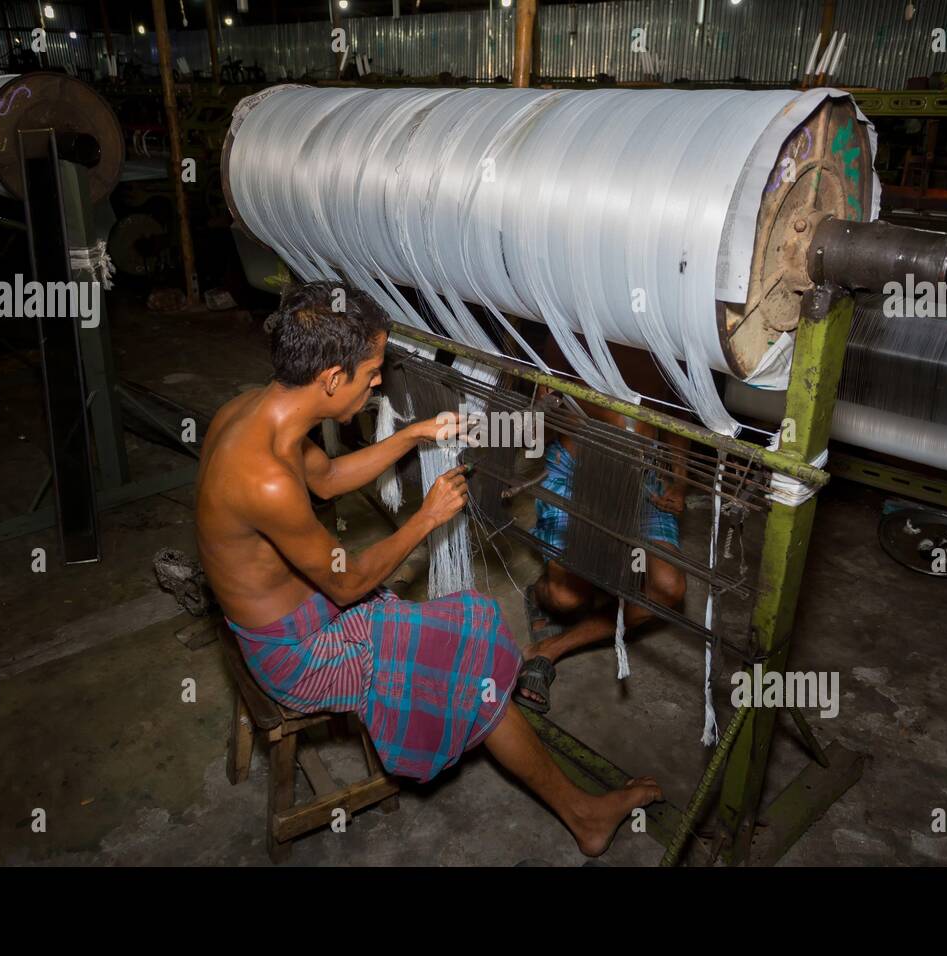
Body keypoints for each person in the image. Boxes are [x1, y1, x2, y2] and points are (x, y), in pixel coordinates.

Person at [195, 281, 660, 857]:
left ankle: (574, 802)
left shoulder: (252, 411)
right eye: (371, 373)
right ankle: (583, 813)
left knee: (467, 638)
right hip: (300, 653)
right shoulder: (263, 477)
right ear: (332, 380)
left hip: (304, 613)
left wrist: (415, 433)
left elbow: (328, 478)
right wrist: (426, 517)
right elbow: (348, 583)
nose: (380, 382)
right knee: (473, 647)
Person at [515, 340, 689, 714]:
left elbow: (677, 421)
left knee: (667, 589)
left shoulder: (666, 340)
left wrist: (679, 480)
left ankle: (550, 649)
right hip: (576, 480)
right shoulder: (568, 342)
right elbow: (532, 436)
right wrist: (543, 407)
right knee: (567, 598)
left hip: (642, 487)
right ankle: (542, 593)